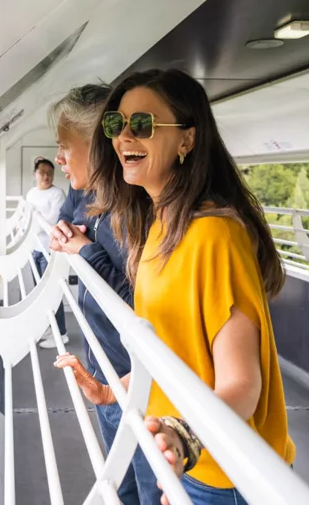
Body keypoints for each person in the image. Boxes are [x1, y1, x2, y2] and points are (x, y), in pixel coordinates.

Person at [56, 68, 294, 505]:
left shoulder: (214, 235)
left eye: (142, 124)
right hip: (189, 461)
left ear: (186, 139)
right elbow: (172, 353)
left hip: (224, 473)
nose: (124, 136)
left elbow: (243, 384)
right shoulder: (159, 226)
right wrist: (110, 389)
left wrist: (183, 439)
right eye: (116, 124)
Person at [47, 84, 158, 505]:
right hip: (108, 370)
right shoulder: (94, 199)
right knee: (121, 487)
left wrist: (87, 251)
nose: (58, 159)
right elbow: (71, 224)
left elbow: (143, 304)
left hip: (138, 381)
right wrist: (68, 236)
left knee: (147, 490)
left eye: (64, 148)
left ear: (98, 148)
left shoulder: (133, 215)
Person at [25, 156, 68, 347]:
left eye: (50, 173)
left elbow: (53, 221)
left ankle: (62, 333)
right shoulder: (31, 193)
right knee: (40, 293)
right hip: (35, 248)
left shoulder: (57, 194)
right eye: (42, 172)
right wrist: (36, 222)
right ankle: (50, 328)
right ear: (35, 174)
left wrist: (36, 220)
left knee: (51, 293)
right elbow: (29, 219)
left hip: (50, 250)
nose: (46, 176)